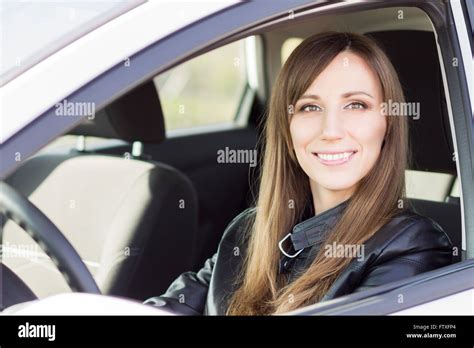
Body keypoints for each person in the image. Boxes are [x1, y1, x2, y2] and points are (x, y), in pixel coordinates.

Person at [144, 32, 453, 315]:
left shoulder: (413, 245)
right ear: (287, 129)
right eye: (310, 108)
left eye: (356, 105)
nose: (331, 131)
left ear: (387, 124)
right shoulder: (248, 229)